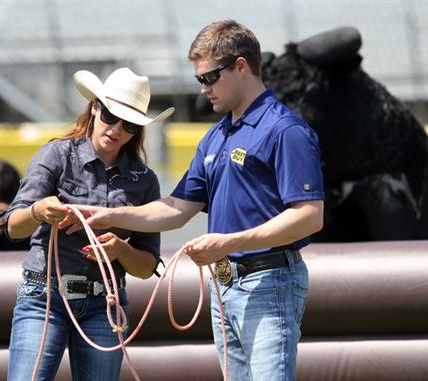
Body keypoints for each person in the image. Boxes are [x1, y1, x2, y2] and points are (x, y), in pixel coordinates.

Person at [62, 20, 324, 381]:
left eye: (208, 78)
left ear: (241, 66)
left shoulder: (286, 130)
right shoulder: (216, 137)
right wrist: (108, 215)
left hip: (270, 281)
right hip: (226, 287)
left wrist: (229, 243)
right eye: (200, 80)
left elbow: (310, 217)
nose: (203, 89)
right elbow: (176, 208)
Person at [0, 67, 174, 381]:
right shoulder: (56, 155)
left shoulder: (145, 181)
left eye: (129, 124)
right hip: (44, 296)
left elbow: (147, 267)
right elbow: (12, 226)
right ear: (94, 107)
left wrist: (120, 249)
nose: (116, 129)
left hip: (105, 304)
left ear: (137, 131)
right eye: (109, 115)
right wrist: (38, 211)